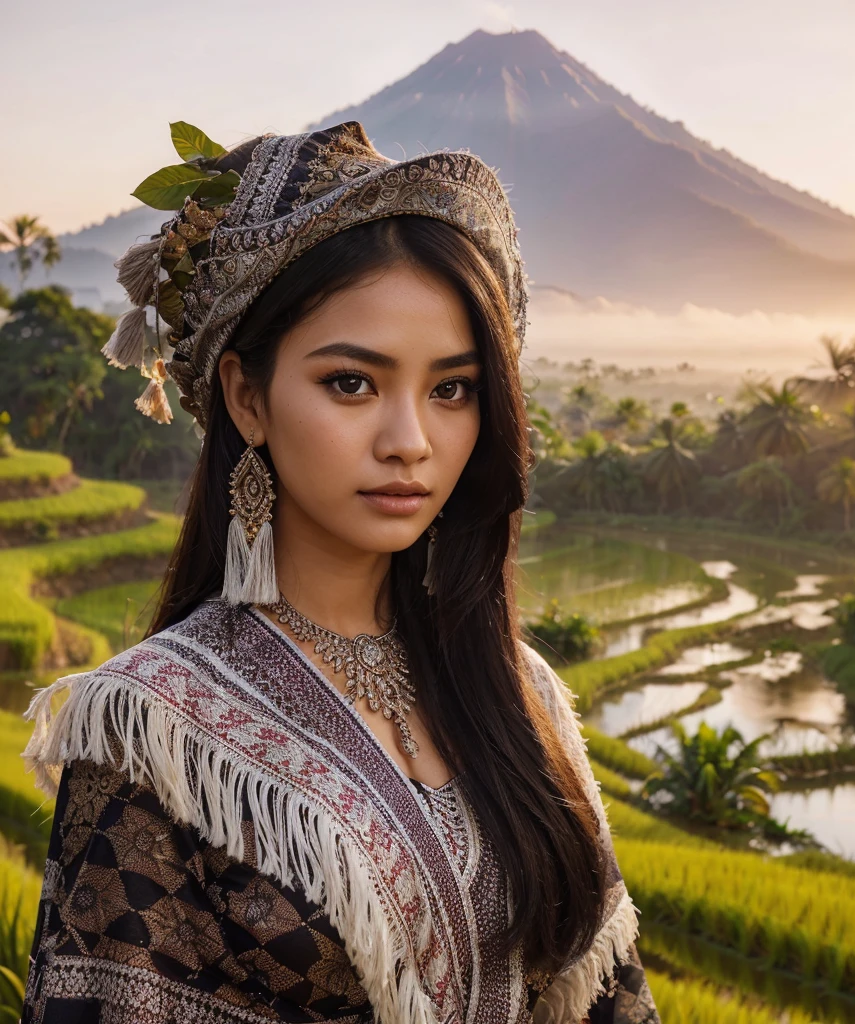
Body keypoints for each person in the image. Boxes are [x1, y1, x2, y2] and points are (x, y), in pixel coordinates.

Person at [19, 120, 661, 1024]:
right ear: (247, 396)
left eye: (452, 389)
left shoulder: (519, 692)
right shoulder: (153, 734)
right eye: (352, 383)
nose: (411, 442)